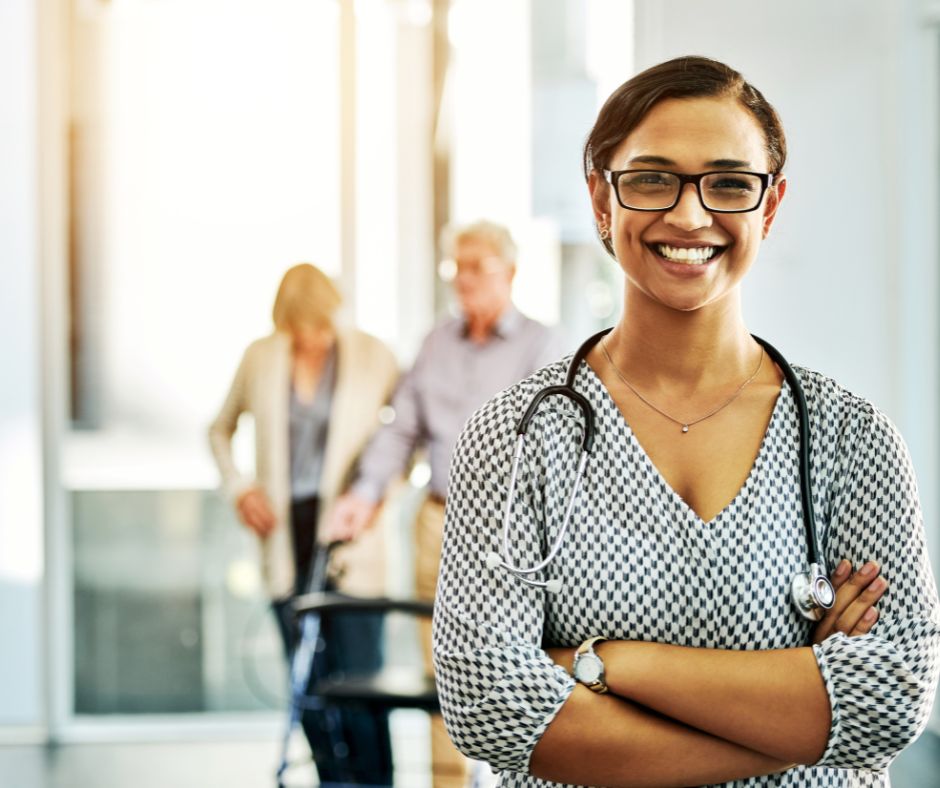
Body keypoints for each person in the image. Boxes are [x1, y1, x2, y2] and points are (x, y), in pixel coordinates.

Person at [432, 56, 940, 788]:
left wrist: (606, 663)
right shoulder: (516, 438)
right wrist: (804, 717)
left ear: (769, 206)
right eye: (651, 179)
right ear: (601, 202)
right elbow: (490, 706)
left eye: (730, 183)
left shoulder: (851, 439)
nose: (690, 215)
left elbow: (890, 700)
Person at [326, 220, 564, 788]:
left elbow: (556, 446)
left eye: (477, 266)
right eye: (455, 267)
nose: (463, 279)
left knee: (515, 668)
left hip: (513, 533)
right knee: (444, 675)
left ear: (510, 271)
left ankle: (516, 780)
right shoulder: (436, 343)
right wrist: (364, 494)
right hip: (438, 523)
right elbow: (400, 428)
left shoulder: (543, 345)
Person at [208, 263, 398, 786]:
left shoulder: (372, 356)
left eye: (318, 326)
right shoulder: (261, 356)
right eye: (299, 329)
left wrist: (377, 497)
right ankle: (330, 779)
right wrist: (240, 487)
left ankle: (376, 781)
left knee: (362, 684)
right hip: (285, 535)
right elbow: (219, 430)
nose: (310, 339)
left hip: (350, 535)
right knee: (307, 686)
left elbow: (404, 437)